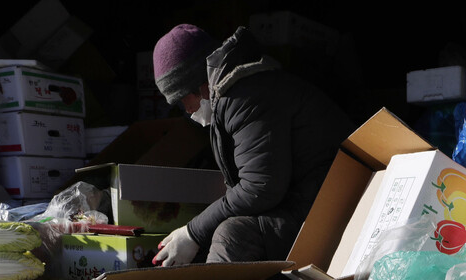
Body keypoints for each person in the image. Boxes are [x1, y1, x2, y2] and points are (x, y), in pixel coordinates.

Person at [150, 23, 353, 266]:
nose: (188, 111)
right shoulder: (233, 96)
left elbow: (260, 187)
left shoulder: (246, 97)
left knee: (232, 235)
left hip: (332, 207)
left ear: (201, 84)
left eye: (184, 100)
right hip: (308, 200)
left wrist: (193, 232)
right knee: (212, 235)